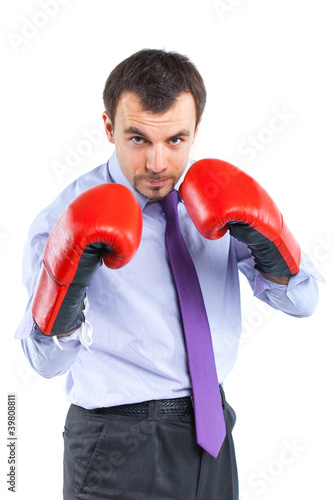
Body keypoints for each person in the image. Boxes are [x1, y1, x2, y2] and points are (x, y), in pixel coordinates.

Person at [15, 49, 321, 500]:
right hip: (117, 443)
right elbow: (43, 362)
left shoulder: (218, 197)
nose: (158, 163)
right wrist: (70, 283)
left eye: (175, 140)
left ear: (197, 130)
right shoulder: (65, 219)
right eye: (138, 139)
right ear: (108, 128)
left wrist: (265, 237)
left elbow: (304, 301)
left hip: (213, 431)